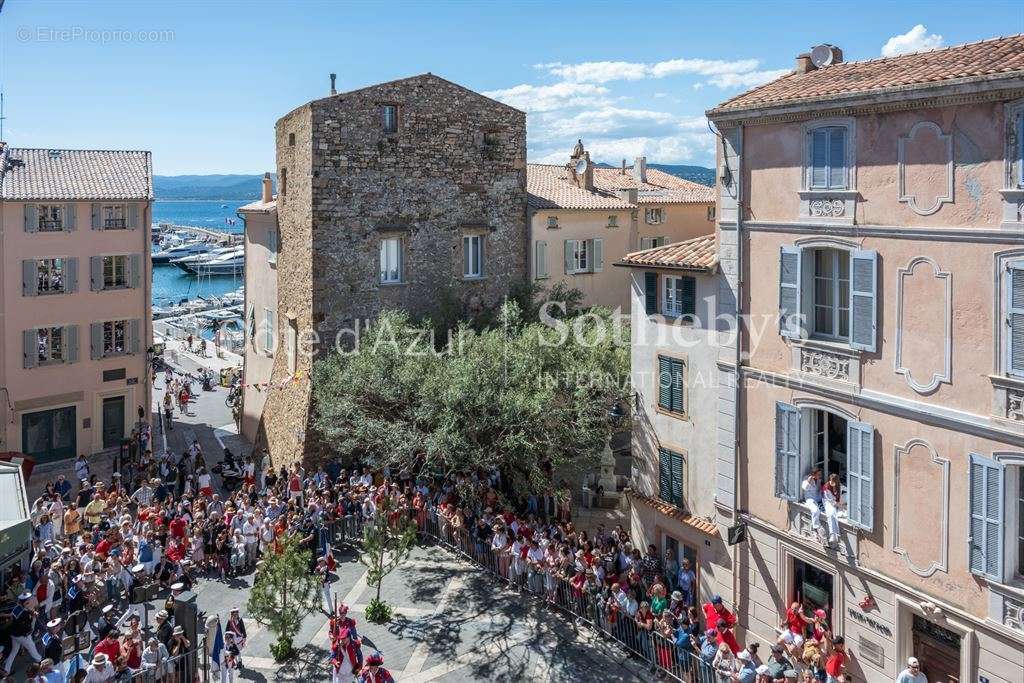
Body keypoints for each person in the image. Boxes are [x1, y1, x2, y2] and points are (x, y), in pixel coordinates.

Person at [801, 470, 826, 543]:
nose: (820, 476)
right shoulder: (806, 478)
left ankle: (817, 530)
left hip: (818, 498)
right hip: (810, 499)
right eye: (819, 474)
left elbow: (819, 490)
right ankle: (816, 528)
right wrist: (809, 481)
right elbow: (804, 487)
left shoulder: (818, 480)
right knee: (815, 511)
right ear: (813, 474)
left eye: (820, 474)